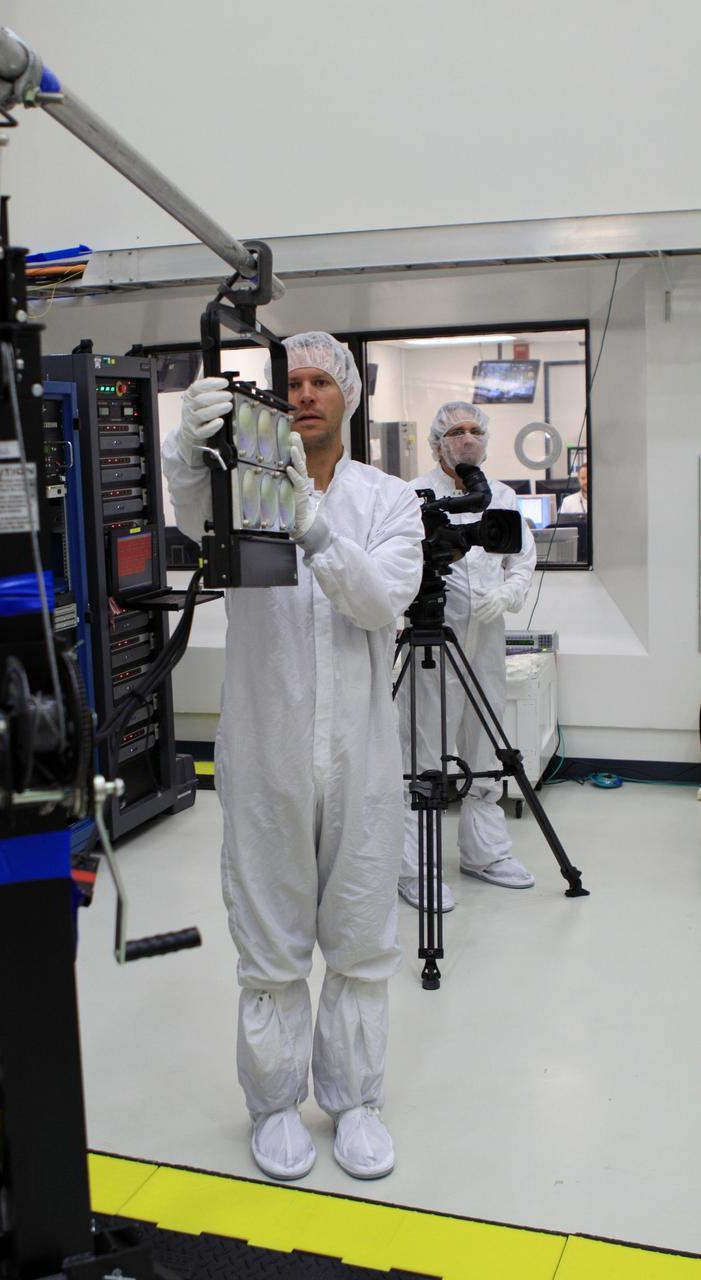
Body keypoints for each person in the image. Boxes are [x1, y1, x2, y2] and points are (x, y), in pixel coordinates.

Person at [162, 334, 423, 1183]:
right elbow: (189, 512)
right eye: (292, 383)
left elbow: (381, 601)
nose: (305, 394)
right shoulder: (240, 492)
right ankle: (274, 1105)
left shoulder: (388, 500)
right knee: (269, 938)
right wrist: (185, 449)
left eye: (320, 381)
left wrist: (313, 529)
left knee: (360, 933)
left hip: (360, 756)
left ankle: (354, 1103)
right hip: (264, 749)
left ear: (347, 395)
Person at [397, 401, 536, 914]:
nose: (468, 438)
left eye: (476, 430)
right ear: (437, 442)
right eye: (456, 431)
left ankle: (485, 853)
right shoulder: (415, 494)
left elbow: (522, 558)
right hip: (433, 633)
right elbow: (397, 560)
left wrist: (509, 593)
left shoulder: (502, 495)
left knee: (485, 742)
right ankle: (416, 867)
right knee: (423, 745)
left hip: (487, 637)